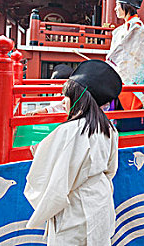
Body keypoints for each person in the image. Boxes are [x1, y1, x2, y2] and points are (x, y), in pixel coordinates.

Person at [24, 60, 122, 245]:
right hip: (100, 199)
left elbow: (49, 166)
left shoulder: (69, 131)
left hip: (75, 208)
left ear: (78, 98)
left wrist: (39, 150)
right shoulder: (109, 128)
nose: (64, 101)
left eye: (66, 97)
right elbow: (111, 169)